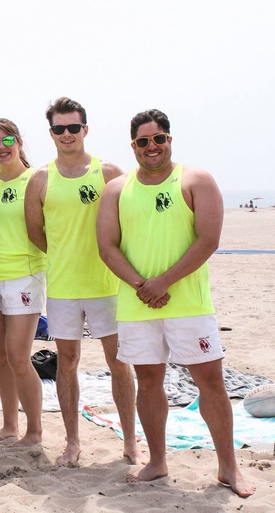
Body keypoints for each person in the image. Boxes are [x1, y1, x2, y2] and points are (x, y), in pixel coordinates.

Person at [97, 109, 256, 498]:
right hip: (138, 305)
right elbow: (107, 246)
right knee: (149, 382)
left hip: (188, 304)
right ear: (132, 145)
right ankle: (157, 461)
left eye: (158, 139)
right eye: (142, 141)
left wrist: (163, 282)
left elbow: (208, 239)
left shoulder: (195, 180)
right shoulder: (117, 188)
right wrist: (141, 285)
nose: (151, 147)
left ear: (170, 139)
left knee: (210, 383)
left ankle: (228, 468)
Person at [25, 97, 143, 466]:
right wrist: (65, 255)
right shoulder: (41, 179)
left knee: (119, 362)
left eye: (73, 127)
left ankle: (129, 440)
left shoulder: (108, 172)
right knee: (68, 362)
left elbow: (129, 223)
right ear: (51, 133)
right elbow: (35, 232)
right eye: (59, 129)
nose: (66, 135)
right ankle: (72, 442)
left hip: (106, 285)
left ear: (85, 130)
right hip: (62, 288)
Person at [0, 119, 45, 446]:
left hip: (25, 276)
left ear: (19, 141)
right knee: (1, 356)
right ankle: (9, 424)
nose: (1, 148)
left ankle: (34, 430)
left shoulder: (37, 179)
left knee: (19, 356)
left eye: (6, 141)